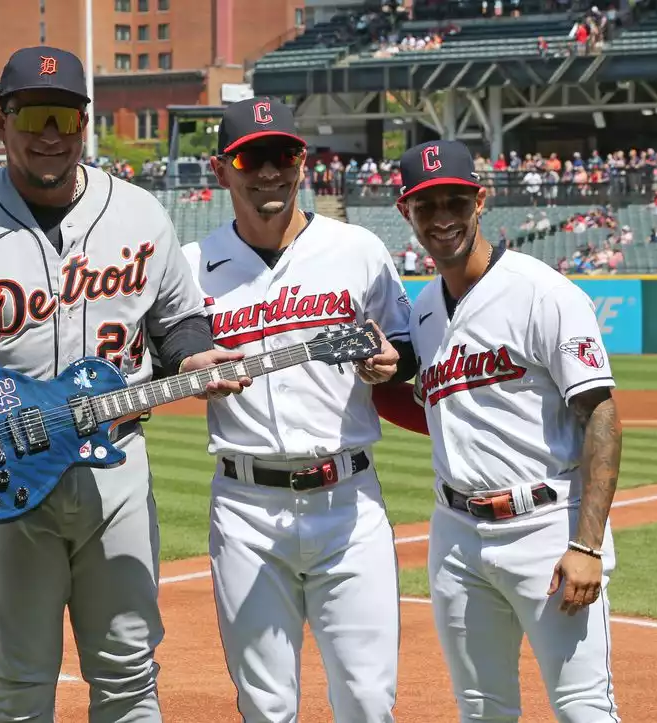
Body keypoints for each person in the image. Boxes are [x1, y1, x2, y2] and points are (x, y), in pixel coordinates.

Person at [0, 45, 247, 722]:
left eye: (66, 117)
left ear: (85, 124)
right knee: (18, 683)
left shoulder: (139, 214)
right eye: (35, 114)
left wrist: (192, 355)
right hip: (5, 475)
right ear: (1, 121)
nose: (51, 133)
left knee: (130, 673)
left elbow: (179, 318)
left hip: (116, 463)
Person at [181, 96, 416, 723]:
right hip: (246, 507)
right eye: (250, 157)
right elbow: (157, 360)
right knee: (267, 704)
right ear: (221, 169)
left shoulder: (358, 248)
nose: (269, 172)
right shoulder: (191, 266)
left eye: (282, 155)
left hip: (349, 501)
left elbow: (406, 346)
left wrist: (394, 363)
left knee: (368, 699)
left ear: (301, 161)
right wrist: (185, 368)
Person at [372, 139, 622, 722]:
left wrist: (585, 544)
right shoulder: (425, 308)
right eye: (425, 206)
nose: (441, 219)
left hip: (545, 525)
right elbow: (439, 412)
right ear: (406, 212)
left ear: (479, 201)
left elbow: (601, 416)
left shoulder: (543, 292)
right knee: (481, 709)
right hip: (456, 533)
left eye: (454, 201)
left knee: (583, 707)